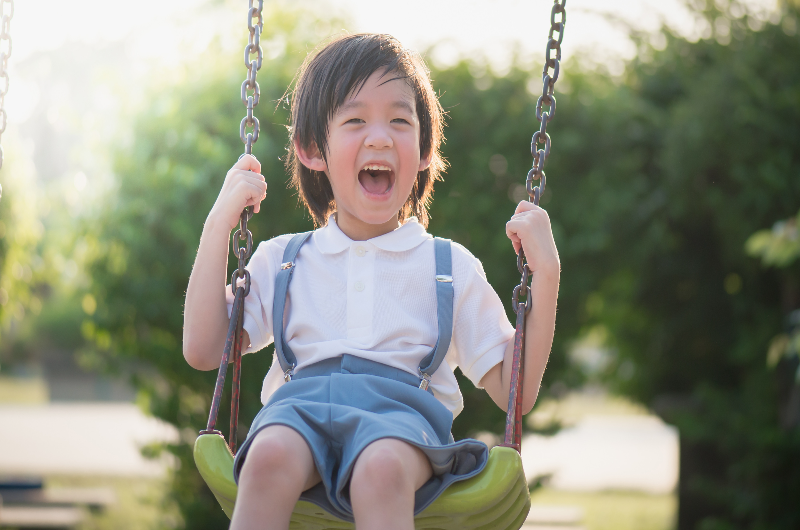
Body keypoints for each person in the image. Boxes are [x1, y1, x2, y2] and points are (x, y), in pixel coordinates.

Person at [183, 33, 560, 530]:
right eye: (356, 119)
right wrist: (219, 225)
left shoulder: (447, 268)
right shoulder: (284, 260)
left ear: (424, 149)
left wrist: (546, 275)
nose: (379, 137)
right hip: (298, 411)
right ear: (313, 148)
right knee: (268, 454)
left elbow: (516, 388)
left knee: (379, 468)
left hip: (401, 423)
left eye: (400, 121)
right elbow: (204, 348)